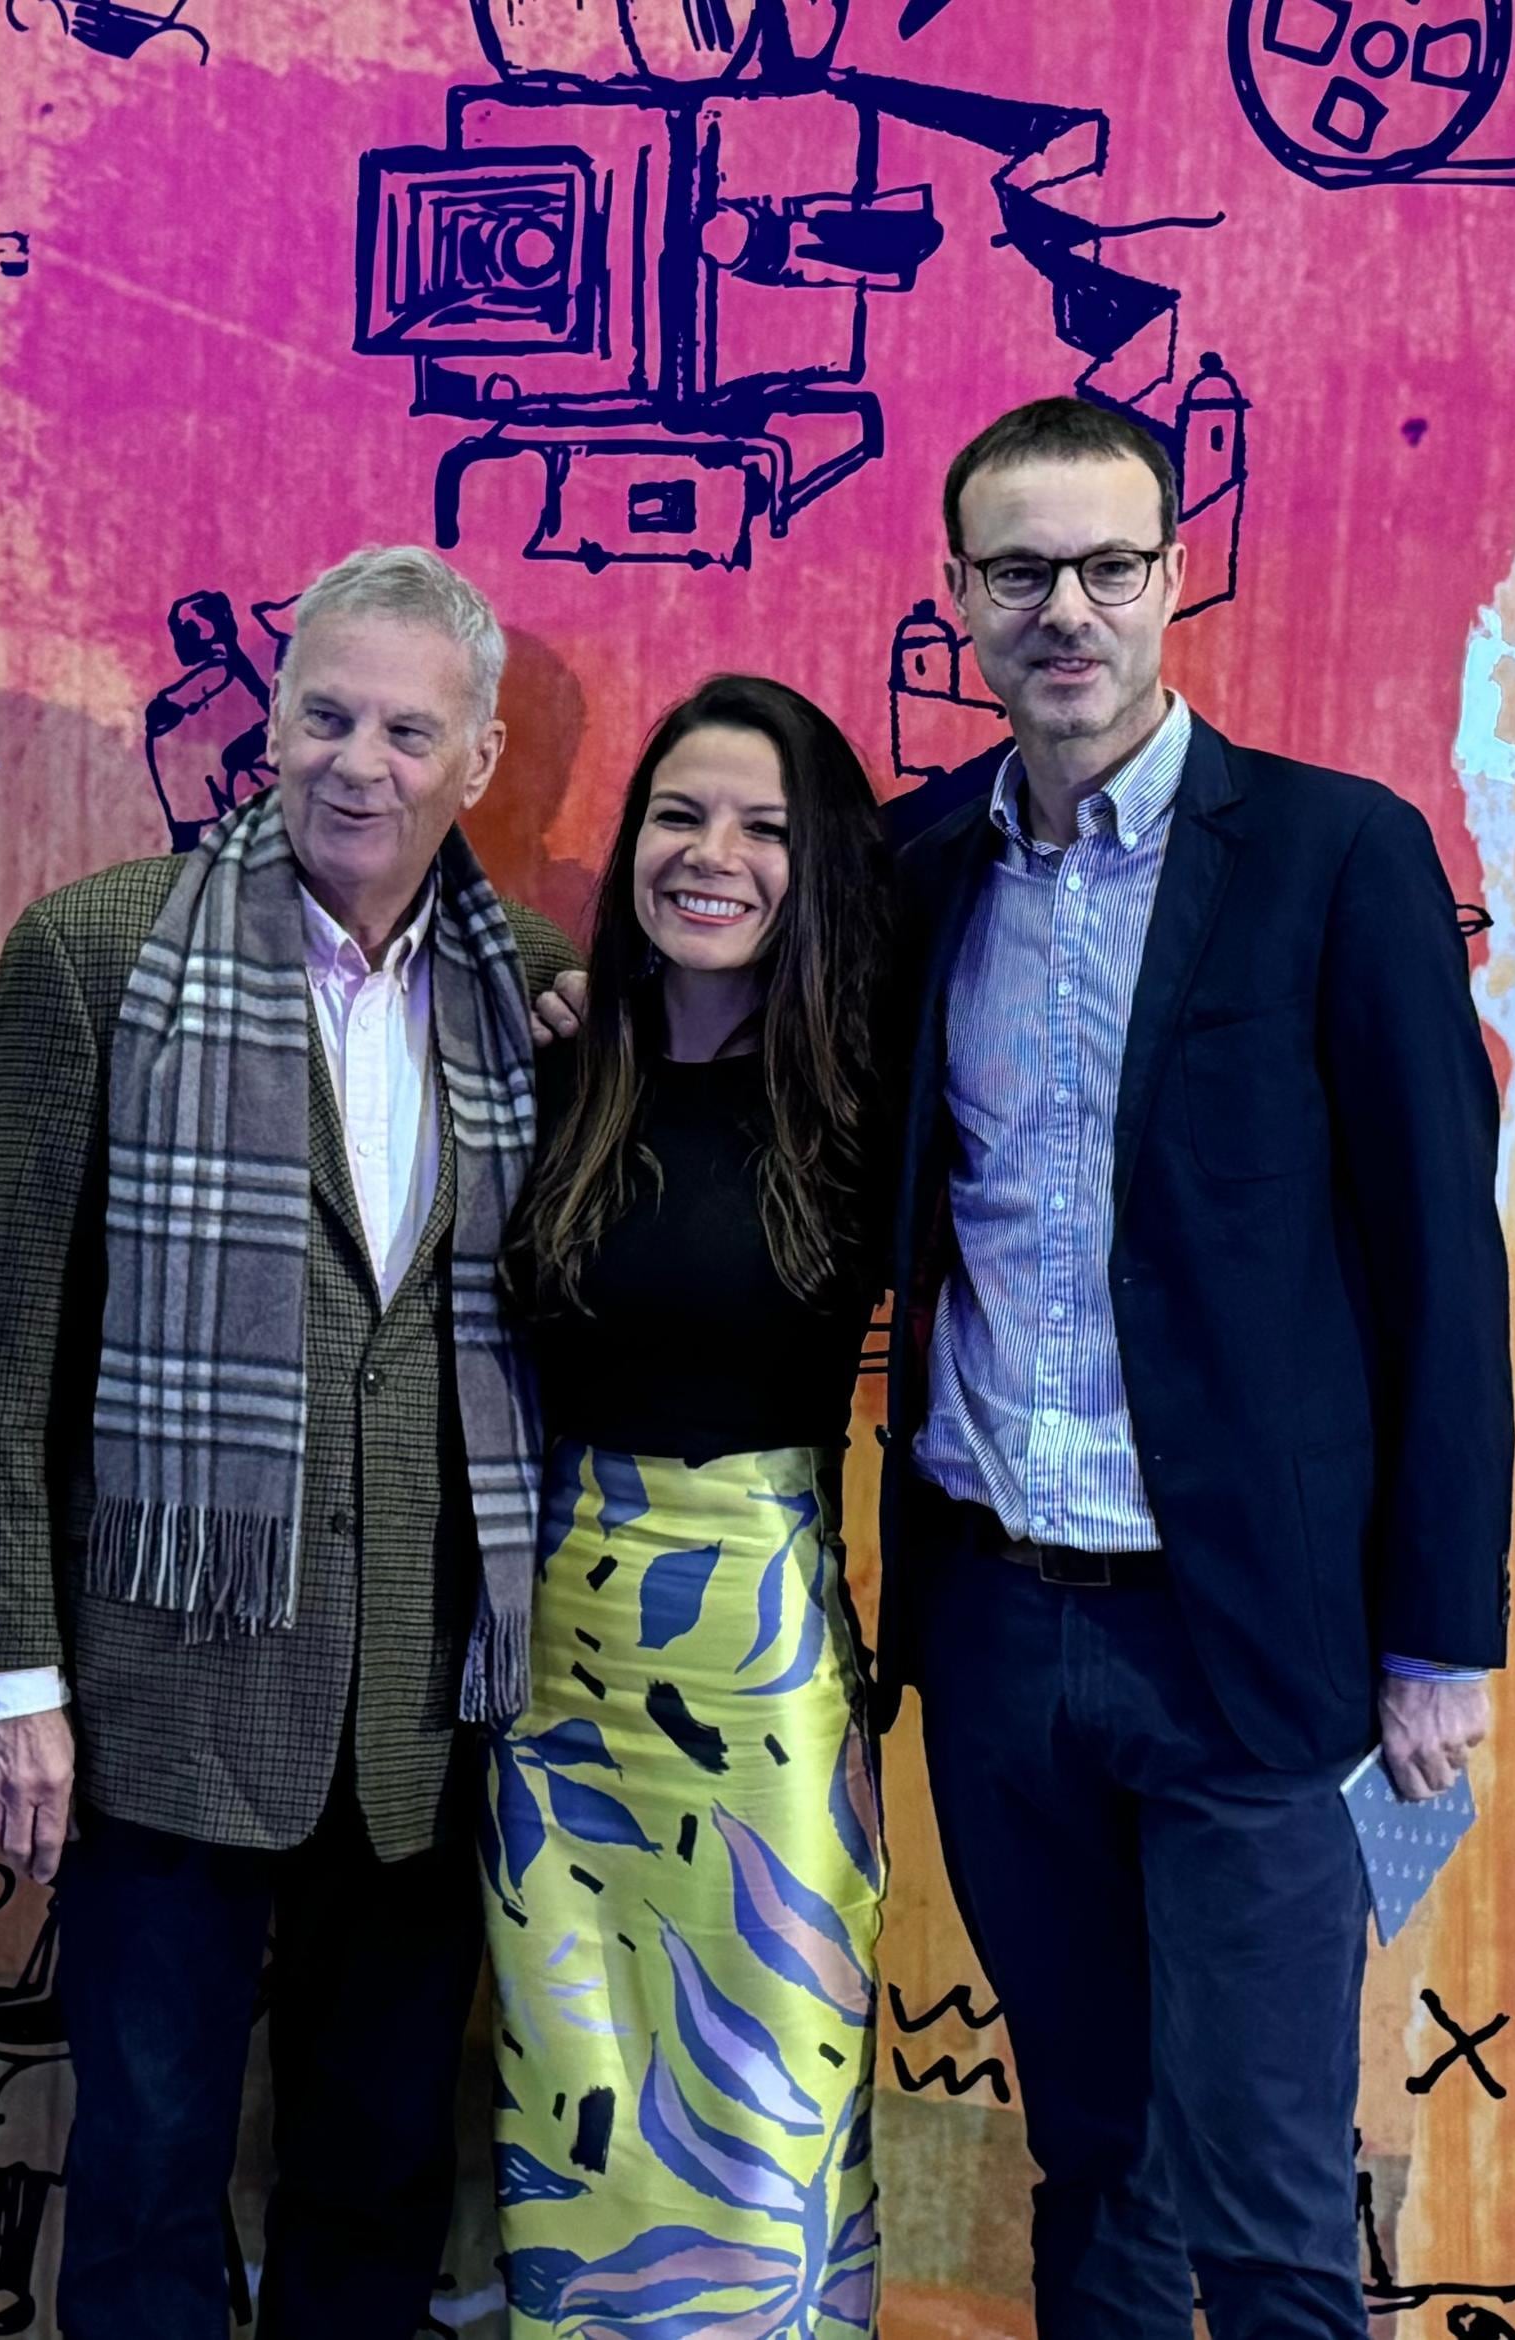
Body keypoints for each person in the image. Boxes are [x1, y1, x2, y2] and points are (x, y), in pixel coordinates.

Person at [883, 398, 1513, 2338]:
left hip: (1248, 1643)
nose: (1063, 609)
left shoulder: (1331, 855)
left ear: (1171, 580)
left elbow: (1439, 1268)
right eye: (1018, 572)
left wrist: (1438, 1642)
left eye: (1106, 566)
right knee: (1095, 2163)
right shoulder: (911, 869)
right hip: (998, 1629)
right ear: (960, 601)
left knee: (1261, 2198)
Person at [0, 544, 579, 2340]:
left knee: (374, 2178)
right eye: (324, 715)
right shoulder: (99, 952)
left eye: (404, 729)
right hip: (161, 1699)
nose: (356, 763)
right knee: (142, 2180)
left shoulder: (528, 991)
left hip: (420, 1721)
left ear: (479, 753)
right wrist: (6, 1682)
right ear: (273, 722)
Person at [487, 676, 893, 2339]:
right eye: (678, 814)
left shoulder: (872, 1099)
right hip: (546, 1659)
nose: (711, 854)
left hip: (767, 1670)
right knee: (568, 2116)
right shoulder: (556, 1069)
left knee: (758, 2119)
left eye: (765, 830)